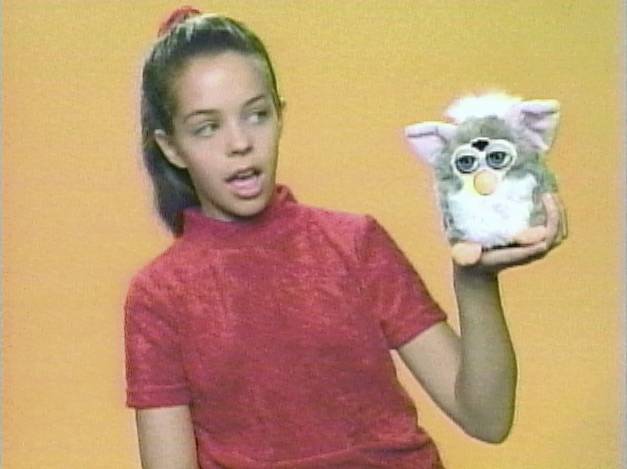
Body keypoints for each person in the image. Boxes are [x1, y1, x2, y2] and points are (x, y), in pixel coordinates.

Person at [124, 7, 566, 469]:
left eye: (256, 115)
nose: (239, 143)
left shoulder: (355, 244)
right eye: (207, 127)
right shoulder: (160, 296)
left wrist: (475, 279)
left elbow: (487, 417)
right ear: (171, 146)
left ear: (280, 115)